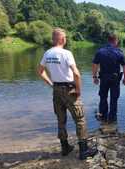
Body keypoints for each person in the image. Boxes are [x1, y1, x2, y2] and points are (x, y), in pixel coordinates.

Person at [37, 28, 97, 160]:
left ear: (53, 39)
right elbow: (76, 74)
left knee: (61, 119)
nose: (66, 39)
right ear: (63, 39)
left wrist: (51, 83)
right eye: (65, 38)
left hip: (56, 90)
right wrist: (78, 90)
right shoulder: (66, 53)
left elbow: (40, 71)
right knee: (80, 119)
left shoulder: (47, 53)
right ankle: (83, 150)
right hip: (69, 90)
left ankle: (65, 148)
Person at [92, 34, 125, 123]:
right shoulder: (119, 52)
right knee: (114, 98)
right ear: (115, 41)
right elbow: (124, 67)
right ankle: (112, 118)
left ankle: (103, 116)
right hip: (115, 78)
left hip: (104, 78)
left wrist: (95, 77)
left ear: (108, 40)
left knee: (103, 97)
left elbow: (95, 65)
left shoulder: (100, 51)